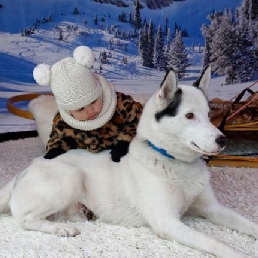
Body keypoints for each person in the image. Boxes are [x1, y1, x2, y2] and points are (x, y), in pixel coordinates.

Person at [33, 45, 143, 162]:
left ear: (99, 93)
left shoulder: (120, 104)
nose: (90, 110)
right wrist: (56, 149)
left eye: (94, 101)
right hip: (91, 164)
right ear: (69, 111)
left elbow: (140, 120)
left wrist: (124, 142)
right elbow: (58, 136)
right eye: (80, 109)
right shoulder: (63, 121)